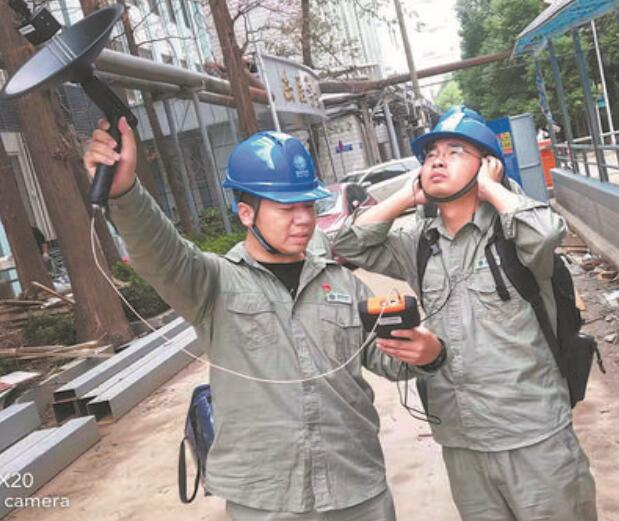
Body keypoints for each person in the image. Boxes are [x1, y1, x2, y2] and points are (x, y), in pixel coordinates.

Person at [84, 121, 445, 521]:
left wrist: (426, 353)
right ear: (246, 213)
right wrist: (125, 193)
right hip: (268, 498)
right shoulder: (212, 284)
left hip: (356, 487)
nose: (303, 219)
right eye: (286, 209)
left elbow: (387, 358)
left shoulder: (343, 283)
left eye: (307, 206)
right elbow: (162, 252)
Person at [332, 106, 597, 521]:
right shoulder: (418, 242)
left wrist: (492, 189)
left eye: (455, 151)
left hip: (533, 436)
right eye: (431, 154)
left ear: (488, 165)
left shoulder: (514, 232)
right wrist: (406, 196)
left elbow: (547, 233)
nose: (437, 160)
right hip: (461, 441)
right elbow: (348, 246)